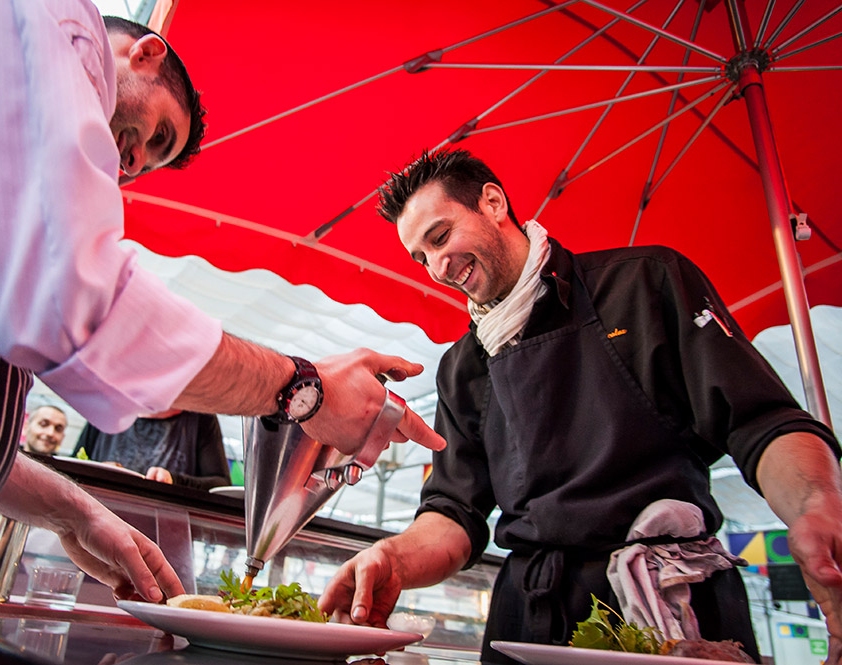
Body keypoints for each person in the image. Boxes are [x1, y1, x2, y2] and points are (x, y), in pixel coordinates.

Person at [0, 4, 444, 664]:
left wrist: (75, 511)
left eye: (152, 161)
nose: (133, 164)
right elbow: (67, 297)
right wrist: (302, 387)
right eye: (160, 137)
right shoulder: (39, 19)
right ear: (147, 54)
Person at [318, 148, 842, 664]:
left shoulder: (644, 283)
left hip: (675, 600)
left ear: (494, 204)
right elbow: (455, 514)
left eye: (440, 237)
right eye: (421, 257)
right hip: (531, 618)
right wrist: (395, 557)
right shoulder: (464, 367)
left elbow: (762, 422)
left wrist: (817, 505)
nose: (436, 266)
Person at [75, 408, 232, 489]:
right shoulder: (106, 410)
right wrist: (95, 471)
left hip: (168, 534)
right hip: (99, 528)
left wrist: (174, 480)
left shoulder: (201, 419)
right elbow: (71, 468)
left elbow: (220, 484)